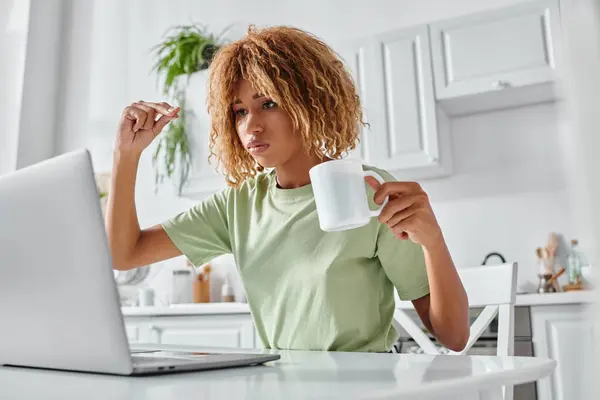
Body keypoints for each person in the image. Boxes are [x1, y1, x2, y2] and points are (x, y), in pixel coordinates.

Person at [106, 25, 469, 353]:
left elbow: (453, 337)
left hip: (367, 385)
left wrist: (432, 240)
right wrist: (127, 154)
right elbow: (124, 255)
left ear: (311, 102)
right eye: (239, 112)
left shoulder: (370, 190)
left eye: (268, 104)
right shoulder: (239, 205)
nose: (251, 126)